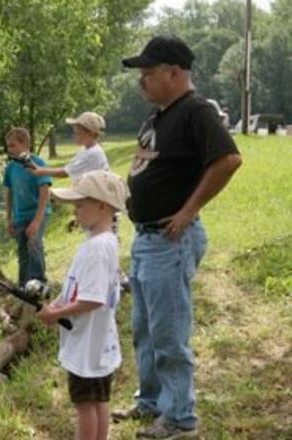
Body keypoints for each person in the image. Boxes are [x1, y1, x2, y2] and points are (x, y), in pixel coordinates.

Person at [114, 35, 242, 439]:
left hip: (169, 241)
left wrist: (189, 211)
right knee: (145, 328)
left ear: (173, 73)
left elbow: (228, 159)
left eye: (147, 74)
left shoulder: (195, 112)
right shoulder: (159, 116)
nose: (141, 82)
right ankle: (151, 402)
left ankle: (180, 418)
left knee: (169, 334)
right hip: (146, 240)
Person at [38, 169, 129, 440]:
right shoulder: (104, 242)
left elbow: (92, 298)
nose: (74, 211)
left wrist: (57, 314)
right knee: (99, 400)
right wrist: (55, 305)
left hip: (88, 345)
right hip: (99, 343)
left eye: (79, 205)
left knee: (84, 405)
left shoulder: (97, 249)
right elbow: (76, 287)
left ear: (102, 205)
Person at [3, 127, 52, 285]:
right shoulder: (10, 167)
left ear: (24, 144)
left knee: (33, 243)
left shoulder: (37, 163)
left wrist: (37, 221)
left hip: (38, 212)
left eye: (13, 145)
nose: (9, 150)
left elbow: (45, 192)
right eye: (8, 146)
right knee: (22, 250)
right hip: (20, 216)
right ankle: (23, 284)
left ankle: (39, 283)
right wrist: (9, 218)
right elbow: (9, 193)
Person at [27, 111, 110, 180]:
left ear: (91, 133)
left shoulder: (93, 153)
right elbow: (68, 167)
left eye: (78, 133)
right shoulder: (86, 149)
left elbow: (65, 173)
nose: (75, 136)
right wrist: (40, 168)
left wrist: (41, 171)